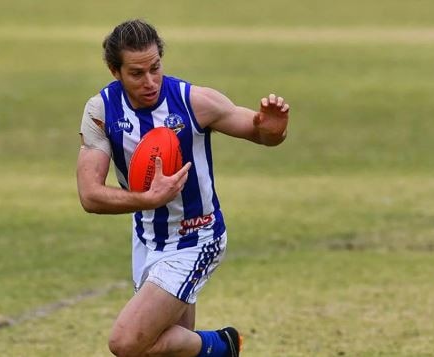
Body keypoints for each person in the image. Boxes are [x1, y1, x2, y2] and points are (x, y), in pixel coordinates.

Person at [76, 19, 289, 357]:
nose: (150, 82)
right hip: (147, 239)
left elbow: (259, 131)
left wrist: (274, 129)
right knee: (166, 349)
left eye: (155, 68)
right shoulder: (101, 111)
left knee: (127, 342)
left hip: (196, 237)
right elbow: (90, 195)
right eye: (136, 74)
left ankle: (222, 346)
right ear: (114, 71)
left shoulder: (193, 102)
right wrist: (147, 199)